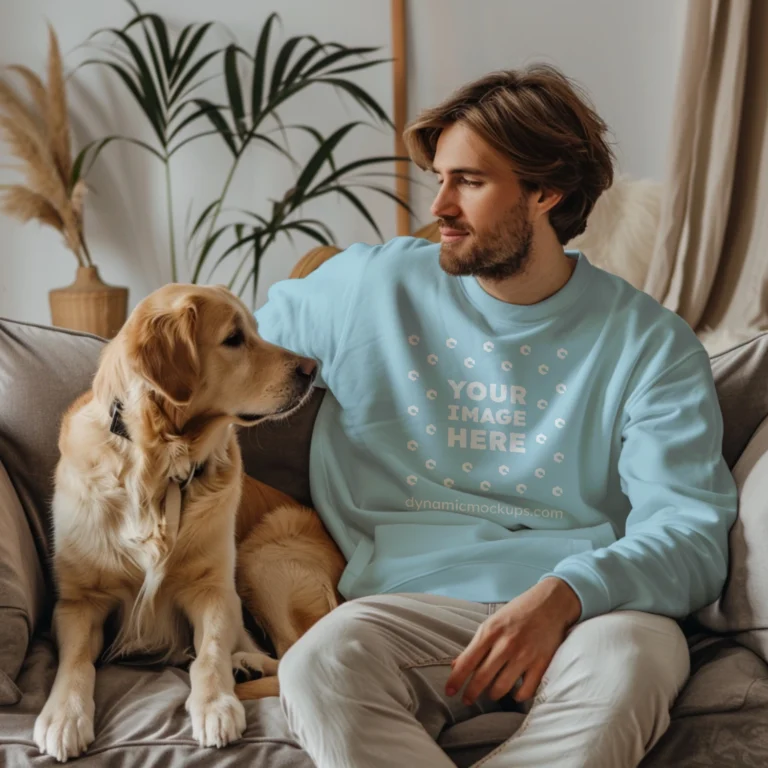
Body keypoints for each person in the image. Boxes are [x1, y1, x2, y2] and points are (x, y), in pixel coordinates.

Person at [253, 64, 738, 768]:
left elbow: (692, 537)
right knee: (320, 663)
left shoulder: (649, 343)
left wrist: (569, 592)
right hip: (411, 606)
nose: (440, 206)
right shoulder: (367, 288)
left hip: (591, 613)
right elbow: (221, 356)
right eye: (440, 178)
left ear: (547, 191)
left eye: (470, 182)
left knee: (632, 659)